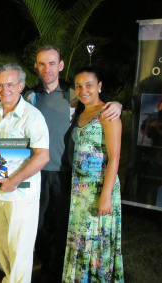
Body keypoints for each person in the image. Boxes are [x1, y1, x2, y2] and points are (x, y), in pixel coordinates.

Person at [25, 46, 123, 282]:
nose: (46, 69)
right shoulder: (30, 96)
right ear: (36, 67)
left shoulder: (72, 94)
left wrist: (117, 104)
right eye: (41, 64)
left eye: (51, 63)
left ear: (60, 66)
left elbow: (99, 108)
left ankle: (59, 273)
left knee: (63, 229)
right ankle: (46, 270)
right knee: (38, 228)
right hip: (37, 172)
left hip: (66, 174)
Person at [62, 67, 124, 282]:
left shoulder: (107, 113)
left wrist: (106, 195)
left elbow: (115, 158)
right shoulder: (80, 113)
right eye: (78, 86)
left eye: (89, 84)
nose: (83, 90)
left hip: (99, 188)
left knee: (96, 243)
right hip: (80, 192)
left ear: (99, 86)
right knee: (81, 240)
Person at [0, 63, 49, 282]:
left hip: (22, 195)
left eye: (10, 84)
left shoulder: (32, 116)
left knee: (20, 250)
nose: (4, 89)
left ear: (21, 86)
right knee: (1, 242)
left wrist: (14, 180)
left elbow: (43, 155)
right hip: (1, 191)